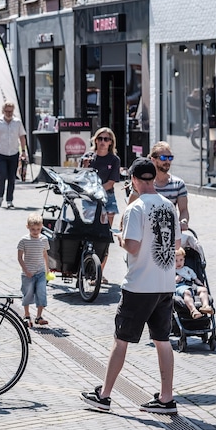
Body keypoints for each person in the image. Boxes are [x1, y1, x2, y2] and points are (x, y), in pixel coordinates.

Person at [81, 157, 180, 415]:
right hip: (165, 284)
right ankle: (166, 398)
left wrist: (120, 239)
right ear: (153, 178)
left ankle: (104, 395)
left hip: (139, 285)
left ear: (134, 181)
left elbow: (133, 246)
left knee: (121, 340)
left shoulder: (135, 208)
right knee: (162, 340)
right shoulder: (169, 206)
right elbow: (175, 243)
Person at [83, 127, 122, 283]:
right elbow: (81, 177)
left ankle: (99, 273)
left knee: (105, 236)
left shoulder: (114, 160)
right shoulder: (88, 157)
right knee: (89, 235)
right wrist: (85, 166)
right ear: (95, 140)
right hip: (90, 198)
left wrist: (97, 191)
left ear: (111, 142)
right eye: (100, 139)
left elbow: (111, 182)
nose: (103, 142)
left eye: (106, 139)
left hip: (107, 198)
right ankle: (86, 268)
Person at [130, 141, 189, 230]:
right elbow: (130, 208)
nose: (167, 161)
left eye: (170, 158)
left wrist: (183, 221)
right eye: (163, 158)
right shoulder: (144, 183)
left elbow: (184, 210)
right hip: (146, 230)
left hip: (170, 232)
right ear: (153, 160)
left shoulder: (178, 184)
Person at [0, 101, 28, 209]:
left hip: (14, 153)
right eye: (7, 111)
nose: (9, 113)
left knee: (12, 178)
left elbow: (22, 137)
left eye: (11, 111)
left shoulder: (17, 122)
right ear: (3, 111)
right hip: (1, 153)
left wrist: (23, 151)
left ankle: (10, 200)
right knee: (2, 175)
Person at [18, 213, 51, 328]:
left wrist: (47, 269)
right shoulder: (24, 240)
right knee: (28, 293)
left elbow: (45, 254)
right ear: (27, 227)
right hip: (28, 273)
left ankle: (39, 316)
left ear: (41, 227)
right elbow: (19, 257)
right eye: (33, 229)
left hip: (40, 272)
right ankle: (26, 314)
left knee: (41, 293)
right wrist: (25, 270)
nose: (36, 231)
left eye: (38, 229)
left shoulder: (44, 239)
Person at [174, 247, 212, 319]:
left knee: (203, 290)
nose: (179, 262)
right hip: (180, 287)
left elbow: (195, 278)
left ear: (184, 260)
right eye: (176, 261)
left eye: (181, 260)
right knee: (187, 292)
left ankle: (205, 306)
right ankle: (193, 310)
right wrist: (176, 279)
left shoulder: (187, 269)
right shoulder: (171, 271)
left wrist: (200, 283)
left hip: (191, 285)